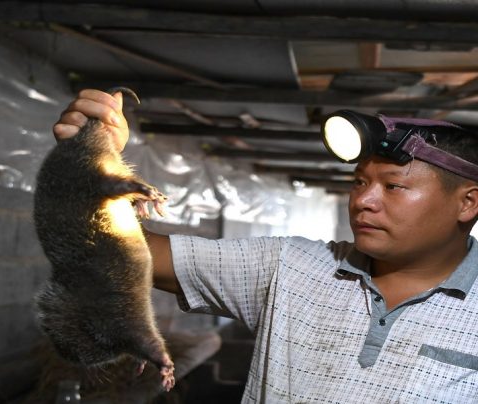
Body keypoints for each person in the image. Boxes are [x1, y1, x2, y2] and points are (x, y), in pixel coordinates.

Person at [53, 89, 478, 403]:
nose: (363, 200)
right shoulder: (290, 267)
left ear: (467, 202)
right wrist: (91, 168)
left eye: (394, 186)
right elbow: (106, 250)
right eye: (360, 182)